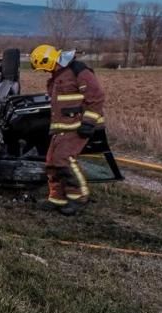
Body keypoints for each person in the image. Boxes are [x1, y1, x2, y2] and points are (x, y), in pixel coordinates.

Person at [29, 45, 105, 216]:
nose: (44, 72)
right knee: (51, 161)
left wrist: (89, 122)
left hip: (78, 126)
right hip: (63, 127)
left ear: (47, 61)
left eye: (43, 68)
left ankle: (78, 197)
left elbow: (96, 96)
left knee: (64, 159)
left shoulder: (78, 71)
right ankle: (57, 198)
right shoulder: (57, 76)